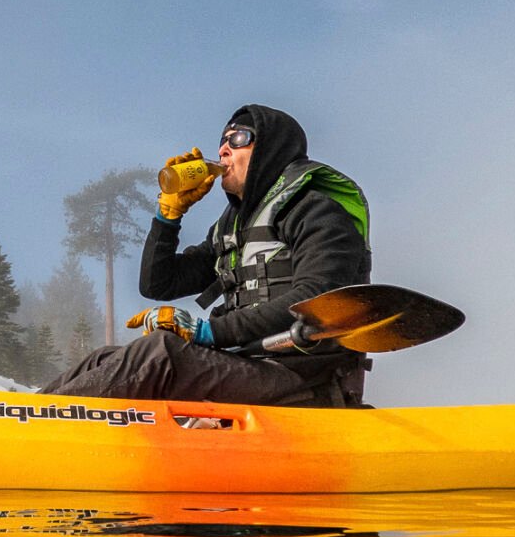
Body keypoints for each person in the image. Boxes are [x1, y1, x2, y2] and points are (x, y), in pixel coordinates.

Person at [40, 103, 371, 407]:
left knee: (160, 353)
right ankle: (19, 419)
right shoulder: (231, 228)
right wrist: (168, 215)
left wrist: (209, 333)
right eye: (222, 140)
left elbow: (318, 298)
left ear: (271, 149)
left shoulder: (317, 211)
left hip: (303, 377)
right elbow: (159, 284)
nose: (223, 149)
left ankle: (38, 430)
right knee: (103, 359)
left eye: (239, 138)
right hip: (247, 364)